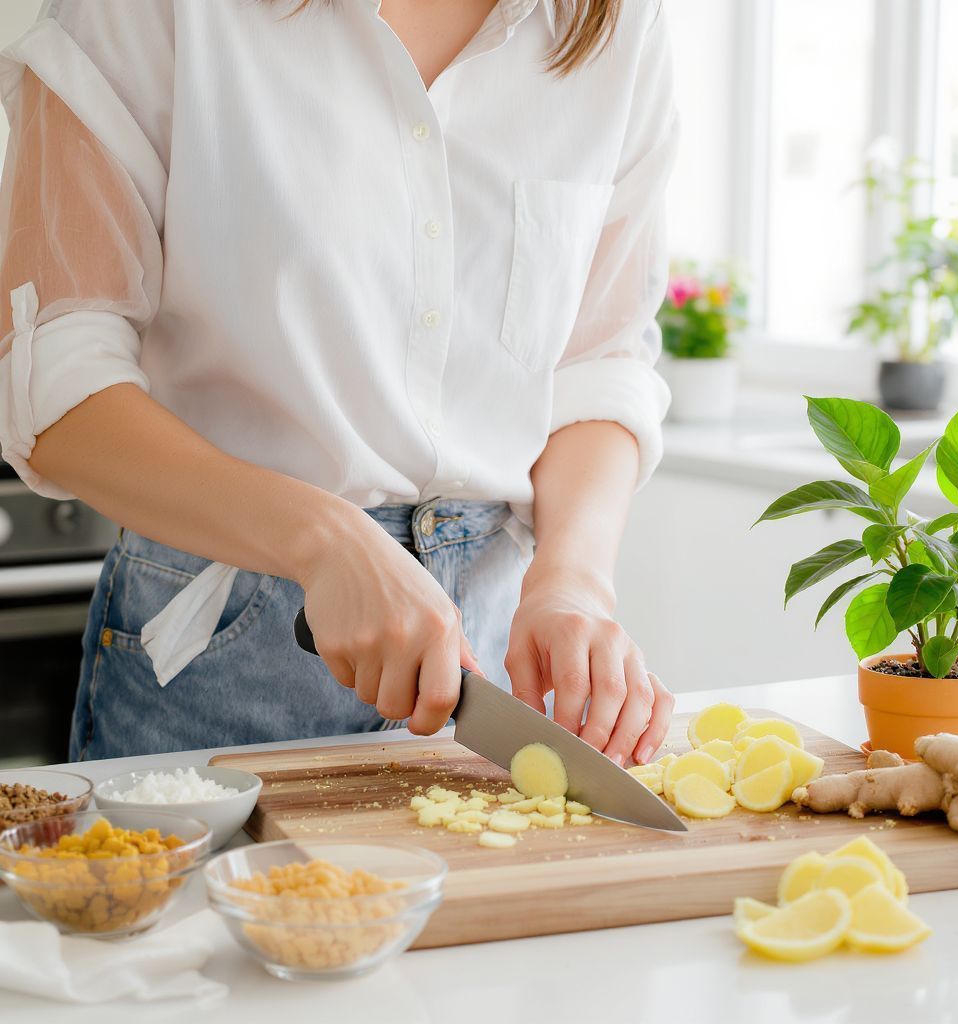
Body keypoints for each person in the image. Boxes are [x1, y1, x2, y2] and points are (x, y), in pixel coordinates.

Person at [0, 0, 680, 763]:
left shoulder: (617, 23)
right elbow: (52, 383)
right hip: (221, 643)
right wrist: (322, 542)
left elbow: (598, 363)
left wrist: (573, 581)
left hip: (493, 653)